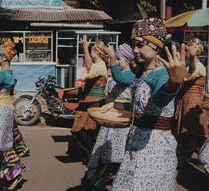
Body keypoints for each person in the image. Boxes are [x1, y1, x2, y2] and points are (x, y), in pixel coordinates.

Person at [101, 18, 186, 191]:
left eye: (140, 45)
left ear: (156, 47)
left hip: (154, 145)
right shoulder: (142, 71)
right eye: (134, 45)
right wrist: (115, 105)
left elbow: (159, 100)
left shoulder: (161, 73)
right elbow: (126, 84)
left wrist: (174, 83)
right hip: (137, 138)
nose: (134, 50)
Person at [84, 43, 135, 189]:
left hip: (120, 120)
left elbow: (121, 80)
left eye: (119, 59)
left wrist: (111, 57)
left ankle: (114, 181)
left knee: (117, 154)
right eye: (116, 58)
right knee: (104, 152)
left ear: (128, 60)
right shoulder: (114, 75)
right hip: (108, 119)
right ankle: (103, 179)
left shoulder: (129, 76)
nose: (116, 62)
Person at [0, 39, 27, 190]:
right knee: (0, 144)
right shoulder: (6, 72)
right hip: (1, 109)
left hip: (1, 110)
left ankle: (13, 175)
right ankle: (8, 176)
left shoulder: (4, 73)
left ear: (4, 57)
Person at [69, 36, 108, 163]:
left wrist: (85, 47)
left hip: (93, 101)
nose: (90, 53)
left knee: (86, 129)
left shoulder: (100, 65)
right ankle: (88, 153)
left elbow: (90, 69)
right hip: (88, 100)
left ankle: (90, 154)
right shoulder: (99, 64)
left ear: (96, 52)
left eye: (92, 51)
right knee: (82, 129)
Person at [174, 38, 207, 166]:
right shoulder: (190, 64)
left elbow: (192, 71)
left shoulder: (198, 65)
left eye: (189, 50)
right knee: (193, 131)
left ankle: (184, 157)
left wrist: (192, 57)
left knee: (190, 130)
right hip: (187, 99)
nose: (187, 52)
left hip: (193, 101)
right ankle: (196, 154)